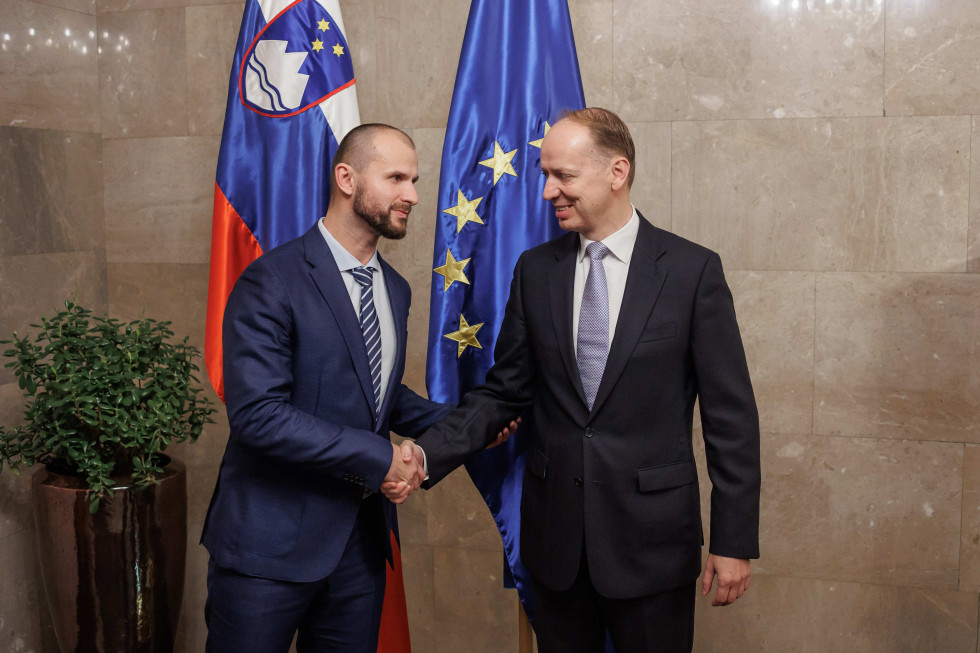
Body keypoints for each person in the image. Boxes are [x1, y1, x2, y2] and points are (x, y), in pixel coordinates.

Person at [413, 108, 761, 653]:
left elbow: (731, 419)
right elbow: (504, 392)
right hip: (557, 548)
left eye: (564, 176)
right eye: (544, 174)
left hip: (653, 546)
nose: (549, 190)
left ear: (617, 172)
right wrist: (424, 455)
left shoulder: (692, 272)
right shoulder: (535, 269)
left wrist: (734, 540)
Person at [200, 123, 511, 652]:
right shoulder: (271, 280)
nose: (412, 195)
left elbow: (378, 398)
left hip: (357, 551)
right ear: (346, 178)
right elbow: (259, 416)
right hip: (266, 551)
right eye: (396, 178)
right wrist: (381, 458)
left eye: (413, 180)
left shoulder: (394, 289)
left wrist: (474, 425)